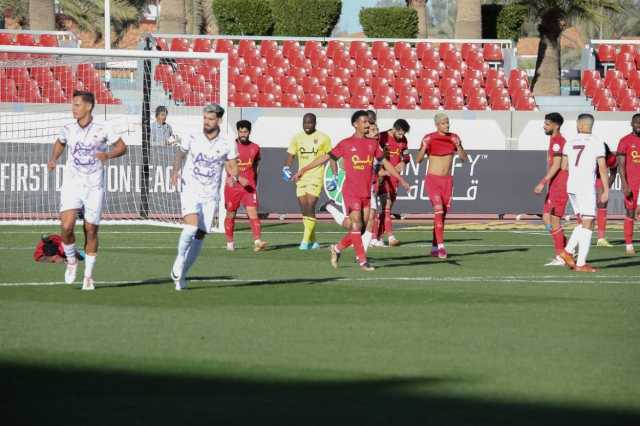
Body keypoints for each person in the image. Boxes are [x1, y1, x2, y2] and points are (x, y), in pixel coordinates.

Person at [293, 110, 410, 271]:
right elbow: (326, 157)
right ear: (355, 124)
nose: (368, 124)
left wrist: (401, 180)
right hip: (351, 192)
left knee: (360, 228)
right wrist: (303, 169)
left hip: (366, 192)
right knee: (357, 225)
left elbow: (386, 163)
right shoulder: (346, 143)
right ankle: (363, 261)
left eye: (368, 122)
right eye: (364, 122)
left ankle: (337, 248)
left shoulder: (373, 144)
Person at [47, 90, 127, 290]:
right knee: (66, 227)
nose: (73, 108)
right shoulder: (68, 128)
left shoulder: (104, 128)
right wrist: (53, 158)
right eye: (73, 104)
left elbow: (122, 147)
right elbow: (60, 142)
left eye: (77, 105)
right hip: (72, 184)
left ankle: (88, 276)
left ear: (89, 106)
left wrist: (107, 155)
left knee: (90, 230)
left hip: (94, 187)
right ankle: (72, 260)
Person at [170, 104, 240, 290]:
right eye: (205, 118)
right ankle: (179, 260)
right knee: (191, 228)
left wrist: (234, 177)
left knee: (201, 234)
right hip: (190, 188)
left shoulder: (226, 142)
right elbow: (180, 153)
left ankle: (182, 274)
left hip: (210, 195)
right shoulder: (192, 135)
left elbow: (233, 166)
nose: (207, 122)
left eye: (210, 119)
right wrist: (176, 170)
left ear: (219, 120)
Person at [415, 113, 468, 259]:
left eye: (447, 123)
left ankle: (434, 247)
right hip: (433, 180)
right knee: (438, 210)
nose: (447, 125)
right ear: (437, 124)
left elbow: (464, 158)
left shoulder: (453, 138)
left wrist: (459, 145)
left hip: (447, 181)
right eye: (444, 123)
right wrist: (424, 146)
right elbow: (418, 160)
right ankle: (441, 247)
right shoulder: (429, 138)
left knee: (442, 215)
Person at [323, 120, 381, 252]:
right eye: (372, 130)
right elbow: (341, 162)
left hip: (369, 189)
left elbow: (379, 168)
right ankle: (330, 208)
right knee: (353, 225)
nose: (375, 132)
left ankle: (362, 254)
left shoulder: (376, 146)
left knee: (371, 219)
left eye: (376, 130)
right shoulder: (352, 144)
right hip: (353, 189)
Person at [561, 114, 609, 272]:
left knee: (583, 222)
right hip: (585, 186)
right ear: (590, 125)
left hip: (572, 185)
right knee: (588, 223)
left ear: (579, 125)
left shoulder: (569, 142)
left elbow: (564, 166)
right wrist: (606, 190)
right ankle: (579, 262)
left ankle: (568, 253)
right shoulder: (597, 142)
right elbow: (602, 168)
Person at [283, 113, 333, 250]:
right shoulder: (297, 138)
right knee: (304, 209)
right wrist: (286, 167)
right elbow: (291, 155)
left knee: (310, 206)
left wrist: (333, 176)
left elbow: (332, 157)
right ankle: (314, 241)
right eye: (305, 123)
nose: (307, 126)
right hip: (301, 177)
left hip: (316, 176)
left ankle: (305, 242)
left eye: (310, 123)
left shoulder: (324, 138)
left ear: (315, 123)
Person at [223, 120, 268, 252]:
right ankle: (230, 243)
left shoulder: (255, 148)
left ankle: (257, 241)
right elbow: (227, 165)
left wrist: (255, 180)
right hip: (233, 186)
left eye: (245, 132)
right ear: (237, 131)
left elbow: (256, 165)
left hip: (249, 187)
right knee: (231, 214)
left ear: (249, 132)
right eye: (241, 131)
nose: (243, 134)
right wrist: (237, 177)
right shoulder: (231, 147)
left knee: (253, 213)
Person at [533, 113, 569, 266]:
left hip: (559, 186)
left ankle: (561, 256)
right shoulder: (554, 140)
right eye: (545, 123)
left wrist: (542, 182)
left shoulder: (558, 142)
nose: (544, 126)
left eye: (547, 124)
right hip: (554, 186)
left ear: (556, 125)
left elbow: (557, 165)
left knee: (554, 222)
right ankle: (566, 250)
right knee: (546, 218)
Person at [374, 119, 411, 247]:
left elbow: (406, 157)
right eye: (400, 133)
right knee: (387, 206)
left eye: (404, 134)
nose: (402, 136)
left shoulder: (403, 140)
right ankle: (390, 237)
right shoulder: (382, 137)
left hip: (394, 177)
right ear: (394, 129)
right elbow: (375, 155)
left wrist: (403, 163)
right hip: (382, 175)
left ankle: (376, 237)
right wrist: (382, 171)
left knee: (386, 209)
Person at [616, 113, 640, 256]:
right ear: (631, 123)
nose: (639, 125)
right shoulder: (624, 141)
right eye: (636, 122)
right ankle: (629, 245)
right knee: (630, 212)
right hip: (632, 182)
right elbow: (620, 165)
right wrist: (625, 183)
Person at [595, 143, 618, 247]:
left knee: (602, 203)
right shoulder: (590, 156)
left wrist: (606, 190)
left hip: (599, 177)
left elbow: (613, 174)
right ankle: (581, 232)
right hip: (586, 177)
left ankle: (601, 238)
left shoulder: (612, 158)